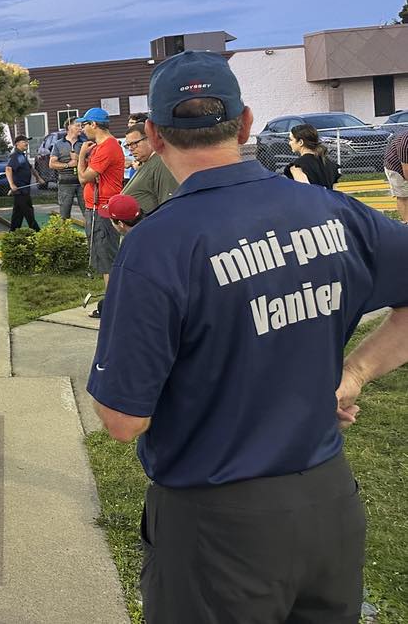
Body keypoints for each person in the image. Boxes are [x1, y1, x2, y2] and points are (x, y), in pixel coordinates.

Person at [87, 50, 408, 623]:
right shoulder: (333, 211)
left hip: (216, 522)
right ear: (246, 122)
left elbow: (122, 418)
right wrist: (353, 374)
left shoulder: (158, 245)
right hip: (326, 502)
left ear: (155, 137)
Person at [76, 107, 124, 314]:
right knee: (103, 259)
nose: (83, 128)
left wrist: (80, 156)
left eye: (85, 124)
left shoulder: (106, 147)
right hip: (96, 207)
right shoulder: (101, 147)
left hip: (102, 209)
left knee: (107, 259)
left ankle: (113, 307)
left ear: (94, 125)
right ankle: (112, 303)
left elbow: (83, 177)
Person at [120, 123, 178, 215]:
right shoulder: (148, 162)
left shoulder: (161, 163)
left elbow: (168, 202)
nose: (131, 149)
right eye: (128, 145)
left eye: (134, 144)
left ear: (150, 139)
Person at [5, 135, 44, 230]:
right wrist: (12, 184)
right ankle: (37, 232)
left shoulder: (22, 155)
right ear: (17, 144)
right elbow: (8, 169)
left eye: (27, 141)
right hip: (20, 190)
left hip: (25, 190)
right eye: (24, 141)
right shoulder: (15, 156)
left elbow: (31, 168)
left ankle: (13, 233)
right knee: (28, 212)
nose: (26, 143)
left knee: (17, 214)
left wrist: (38, 178)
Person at [285, 123, 340, 188]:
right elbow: (334, 193)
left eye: (291, 139)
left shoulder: (298, 166)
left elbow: (306, 192)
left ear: (300, 142)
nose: (289, 143)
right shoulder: (329, 163)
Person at [50, 121, 84, 222]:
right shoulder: (58, 144)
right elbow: (52, 164)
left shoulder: (84, 143)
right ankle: (65, 236)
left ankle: (90, 237)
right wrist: (68, 165)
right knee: (64, 215)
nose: (80, 128)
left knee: (88, 212)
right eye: (77, 126)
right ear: (69, 127)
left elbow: (92, 161)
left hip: (82, 182)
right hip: (65, 183)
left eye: (81, 126)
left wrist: (78, 159)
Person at [383, 127, 408, 222]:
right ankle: (406, 223)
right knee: (403, 195)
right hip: (395, 167)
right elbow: (406, 172)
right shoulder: (405, 142)